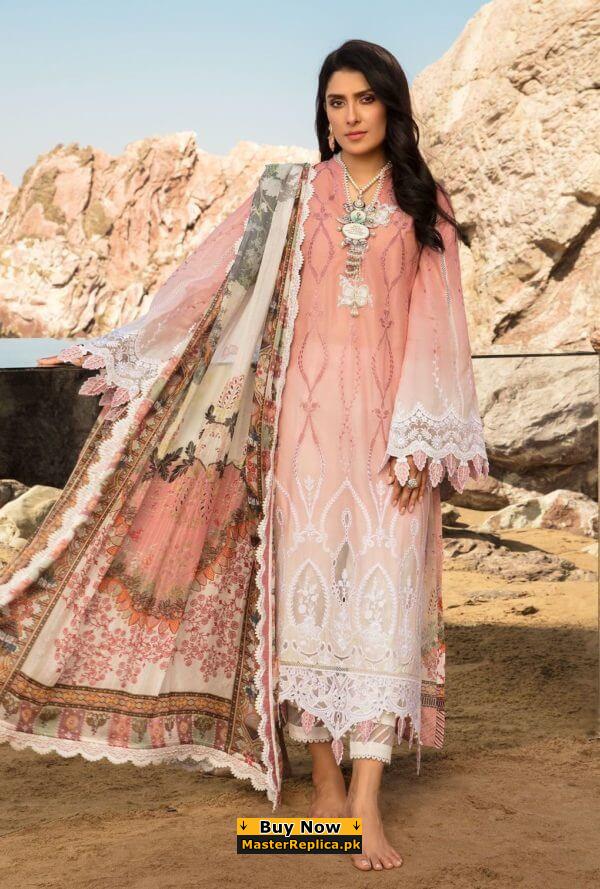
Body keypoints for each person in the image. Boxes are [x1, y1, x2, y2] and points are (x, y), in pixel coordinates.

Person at [0, 40, 488, 873]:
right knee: (306, 604)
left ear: (392, 105)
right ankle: (325, 779)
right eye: (335, 102)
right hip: (299, 437)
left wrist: (420, 437)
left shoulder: (423, 201)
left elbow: (440, 329)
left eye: (365, 99)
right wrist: (112, 349)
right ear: (322, 112)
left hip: (390, 440)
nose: (350, 116)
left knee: (384, 605)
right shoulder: (289, 195)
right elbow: (210, 290)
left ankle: (367, 801)